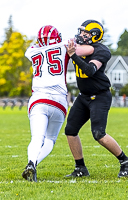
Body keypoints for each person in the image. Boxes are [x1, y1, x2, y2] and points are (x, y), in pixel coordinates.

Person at [22, 25, 94, 182]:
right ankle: (33, 165)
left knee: (37, 138)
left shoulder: (32, 51)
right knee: (49, 140)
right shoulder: (64, 46)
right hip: (59, 102)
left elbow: (35, 48)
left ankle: (31, 163)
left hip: (39, 99)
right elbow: (88, 50)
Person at [64, 20, 128, 178]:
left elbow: (89, 70)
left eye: (85, 33)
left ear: (95, 35)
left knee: (99, 134)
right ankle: (80, 168)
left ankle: (125, 161)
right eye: (81, 31)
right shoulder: (80, 47)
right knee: (70, 130)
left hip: (100, 95)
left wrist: (73, 55)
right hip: (84, 96)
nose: (81, 35)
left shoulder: (102, 51)